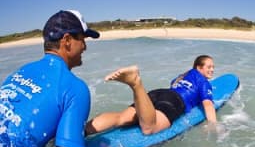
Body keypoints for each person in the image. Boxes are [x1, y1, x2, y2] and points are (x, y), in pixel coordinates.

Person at [0, 10, 111, 147]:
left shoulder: (20, 71)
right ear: (67, 40)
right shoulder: (74, 87)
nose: (84, 46)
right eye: (82, 39)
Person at [85, 55, 217, 136]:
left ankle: (83, 131)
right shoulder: (204, 82)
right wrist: (213, 125)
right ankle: (136, 83)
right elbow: (208, 104)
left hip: (158, 93)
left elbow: (173, 85)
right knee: (149, 128)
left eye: (213, 67)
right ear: (199, 68)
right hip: (175, 101)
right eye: (209, 67)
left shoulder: (184, 75)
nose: (212, 70)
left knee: (121, 118)